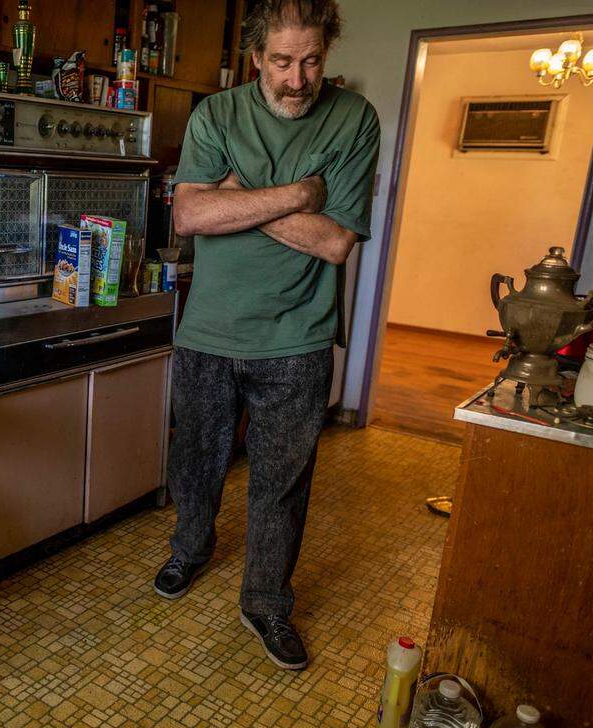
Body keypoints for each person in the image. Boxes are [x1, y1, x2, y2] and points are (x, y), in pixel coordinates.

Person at [152, 0, 380, 671]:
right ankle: (190, 549)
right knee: (196, 460)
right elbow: (188, 216)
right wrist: (297, 195)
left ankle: (266, 602)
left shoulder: (354, 119)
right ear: (256, 57)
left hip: (299, 337)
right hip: (209, 330)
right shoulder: (217, 114)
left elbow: (335, 243)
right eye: (281, 61)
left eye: (311, 60)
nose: (297, 78)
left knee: (282, 482)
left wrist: (236, 195)